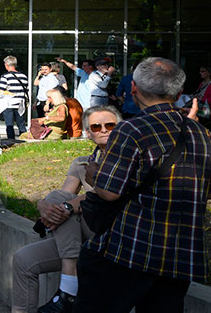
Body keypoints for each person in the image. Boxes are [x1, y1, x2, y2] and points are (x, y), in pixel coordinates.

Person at [75, 57, 211, 313]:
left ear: (134, 88)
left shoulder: (131, 129)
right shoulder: (201, 133)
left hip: (133, 247)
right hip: (181, 253)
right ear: (179, 93)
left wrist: (94, 175)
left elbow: (109, 192)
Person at [11, 105, 120, 313]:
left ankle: (68, 288)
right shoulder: (82, 164)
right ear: (88, 133)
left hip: (109, 236)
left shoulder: (126, 162)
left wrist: (68, 205)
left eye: (110, 125)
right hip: (78, 240)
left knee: (62, 201)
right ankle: (66, 288)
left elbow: (95, 198)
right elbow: (62, 198)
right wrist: (43, 205)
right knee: (23, 259)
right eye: (96, 126)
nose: (104, 130)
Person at [0, 56, 30, 140]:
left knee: (9, 124)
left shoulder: (5, 76)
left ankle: (11, 141)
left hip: (9, 103)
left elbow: (2, 90)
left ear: (6, 65)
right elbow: (26, 89)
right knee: (21, 124)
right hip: (20, 103)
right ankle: (24, 140)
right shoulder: (24, 76)